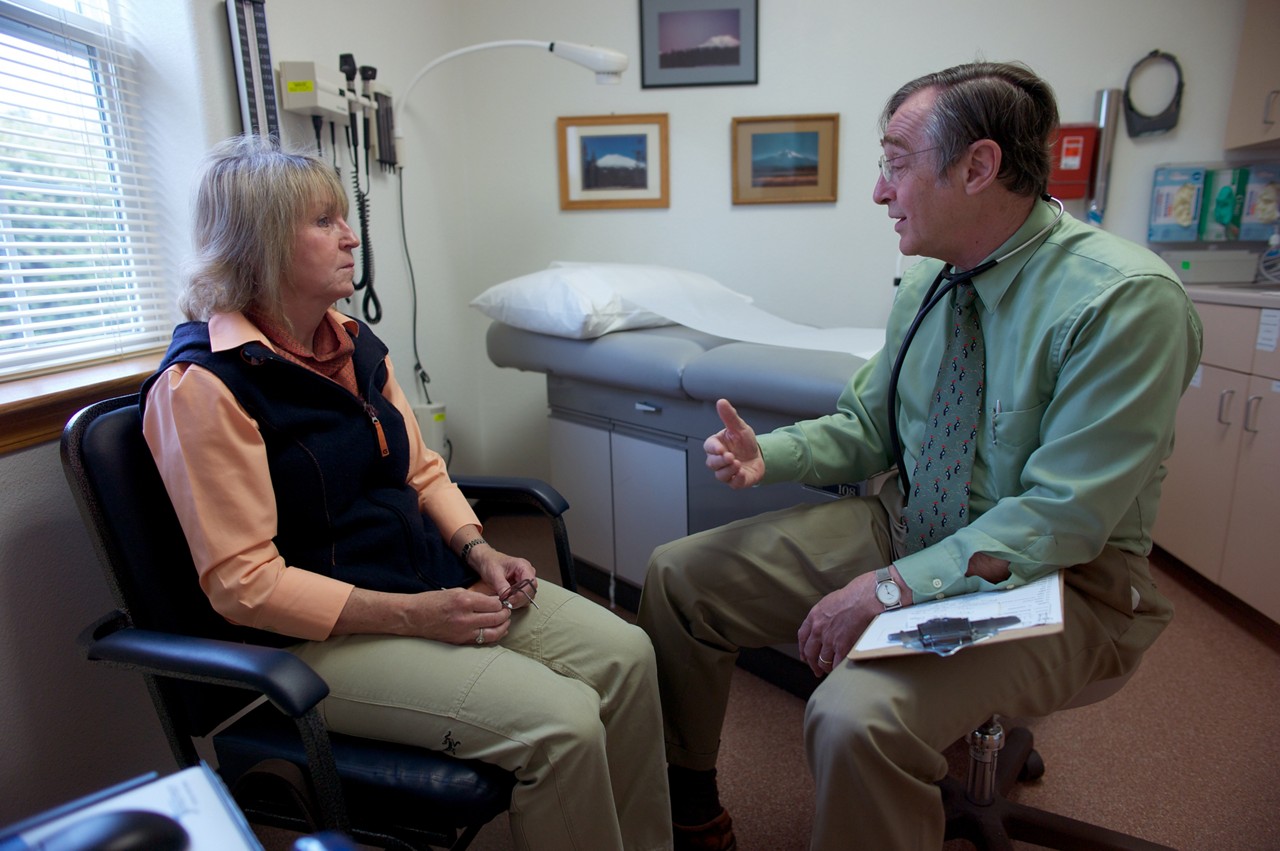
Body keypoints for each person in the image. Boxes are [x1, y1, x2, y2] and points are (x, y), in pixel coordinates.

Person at [637, 61, 1203, 850]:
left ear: (978, 166)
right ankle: (692, 809)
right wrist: (769, 451)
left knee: (852, 717)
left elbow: (1062, 520)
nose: (879, 191)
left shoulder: (1124, 302)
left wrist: (892, 588)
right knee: (678, 578)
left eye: (895, 164)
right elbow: (869, 427)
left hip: (1061, 584)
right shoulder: (930, 280)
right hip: (912, 527)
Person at [140, 134, 672, 851]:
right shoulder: (204, 385)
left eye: (342, 217)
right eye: (324, 221)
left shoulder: (354, 344)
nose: (351, 235)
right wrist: (414, 616)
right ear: (261, 243)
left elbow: (421, 471)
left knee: (629, 654)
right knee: (564, 721)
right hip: (315, 639)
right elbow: (243, 582)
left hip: (425, 577)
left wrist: (478, 549)